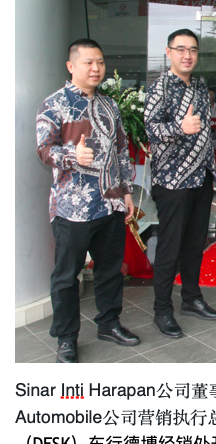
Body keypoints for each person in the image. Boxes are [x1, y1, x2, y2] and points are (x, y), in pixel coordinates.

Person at [36, 38, 140, 362]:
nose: (96, 68)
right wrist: (72, 155)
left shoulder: (110, 105)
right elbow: (44, 149)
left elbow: (121, 150)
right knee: (67, 276)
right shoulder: (54, 104)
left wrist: (126, 192)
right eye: (88, 63)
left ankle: (109, 323)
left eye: (100, 62)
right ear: (71, 66)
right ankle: (66, 338)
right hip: (72, 208)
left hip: (110, 203)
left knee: (110, 271)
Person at [144, 28, 216, 339]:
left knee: (194, 244)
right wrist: (180, 127)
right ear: (168, 52)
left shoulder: (200, 87)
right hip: (172, 181)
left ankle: (191, 298)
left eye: (193, 50)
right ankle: (162, 310)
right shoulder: (159, 87)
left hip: (201, 178)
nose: (187, 55)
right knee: (170, 247)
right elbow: (150, 129)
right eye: (181, 49)